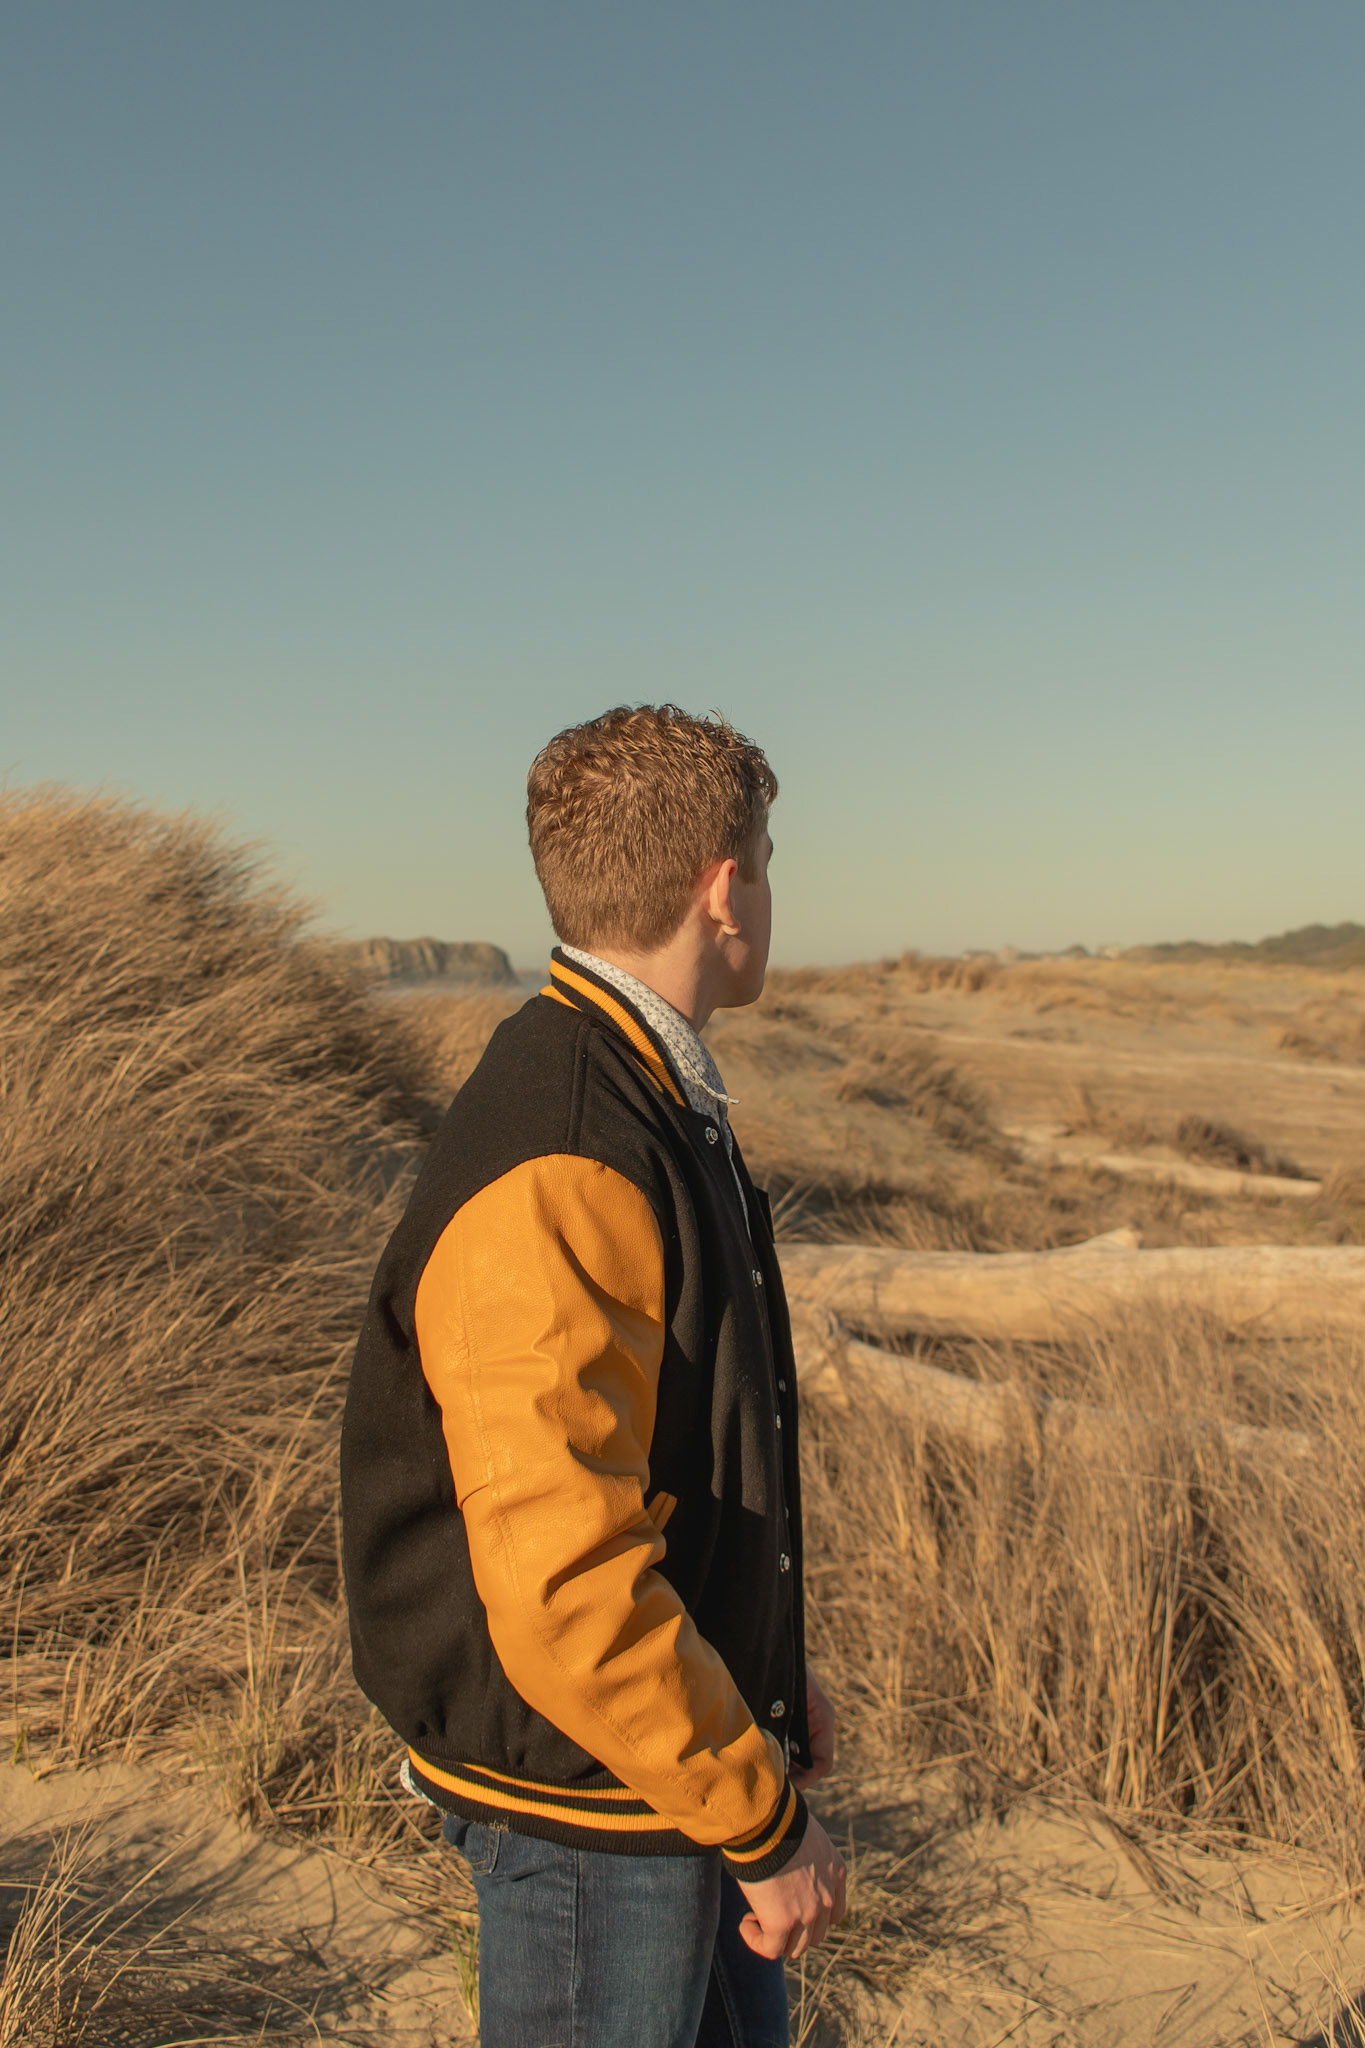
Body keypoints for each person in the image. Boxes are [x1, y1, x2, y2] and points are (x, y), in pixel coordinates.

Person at [341, 704, 845, 2048]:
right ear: (723, 889)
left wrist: (761, 1670)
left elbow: (677, 1446)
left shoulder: (639, 1090)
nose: (770, 895)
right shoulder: (570, 1143)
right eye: (768, 864)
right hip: (593, 1810)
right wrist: (759, 1819)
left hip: (664, 1767)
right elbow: (563, 1576)